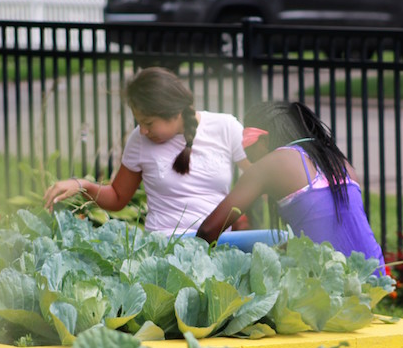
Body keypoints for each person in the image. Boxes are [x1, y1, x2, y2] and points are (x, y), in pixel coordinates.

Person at [44, 67, 251, 235]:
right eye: (139, 122)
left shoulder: (226, 127)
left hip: (217, 244)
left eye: (148, 123)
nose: (142, 130)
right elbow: (117, 197)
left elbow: (259, 175)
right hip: (162, 248)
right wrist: (82, 185)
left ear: (175, 112)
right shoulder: (139, 140)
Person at [196, 101, 385, 266]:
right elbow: (330, 231)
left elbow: (208, 230)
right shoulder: (338, 161)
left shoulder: (270, 164)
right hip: (371, 271)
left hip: (329, 279)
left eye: (246, 144)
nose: (246, 155)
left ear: (263, 139)